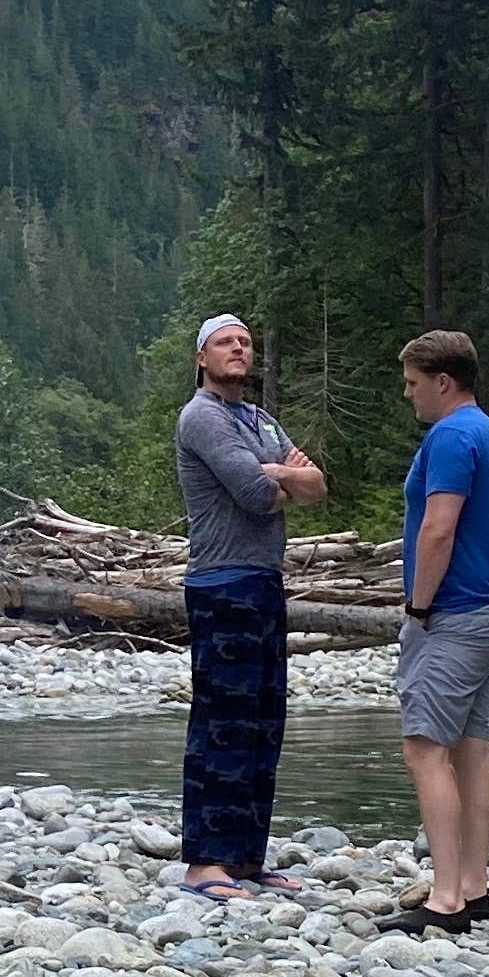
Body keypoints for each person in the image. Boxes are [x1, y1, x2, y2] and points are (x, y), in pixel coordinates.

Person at [173, 313, 325, 896]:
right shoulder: (202, 417)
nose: (238, 349)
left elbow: (320, 486)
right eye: (225, 342)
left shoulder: (259, 420)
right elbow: (259, 496)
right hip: (220, 583)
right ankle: (205, 860)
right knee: (222, 723)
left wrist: (276, 474)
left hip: (263, 580)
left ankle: (245, 857)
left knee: (264, 722)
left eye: (245, 342)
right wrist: (283, 478)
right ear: (202, 358)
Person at [393, 327, 489, 934]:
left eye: (414, 385)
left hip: (455, 614)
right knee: (470, 746)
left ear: (443, 382)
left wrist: (419, 607)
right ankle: (474, 885)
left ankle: (446, 900)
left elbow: (437, 528)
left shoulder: (449, 437)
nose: (410, 396)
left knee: (424, 748)